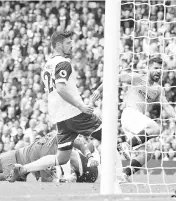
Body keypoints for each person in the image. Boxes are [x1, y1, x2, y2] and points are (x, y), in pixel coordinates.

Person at [8, 31, 104, 182]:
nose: (71, 45)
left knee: (61, 158)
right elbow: (60, 88)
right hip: (74, 113)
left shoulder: (48, 65)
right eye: (68, 43)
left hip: (59, 117)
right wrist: (81, 106)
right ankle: (119, 175)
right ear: (58, 45)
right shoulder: (63, 63)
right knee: (109, 135)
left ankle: (24, 169)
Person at [91, 56, 176, 180]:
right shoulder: (137, 78)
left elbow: (167, 106)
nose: (158, 71)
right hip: (129, 114)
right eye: (156, 68)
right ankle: (126, 145)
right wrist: (99, 90)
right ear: (148, 68)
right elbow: (116, 77)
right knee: (155, 128)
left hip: (136, 123)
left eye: (160, 69)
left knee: (148, 153)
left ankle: (124, 175)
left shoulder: (158, 90)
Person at [0, 132, 99, 183]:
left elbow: (81, 145)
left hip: (15, 158)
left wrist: (90, 157)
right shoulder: (47, 153)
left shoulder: (56, 136)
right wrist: (61, 180)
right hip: (13, 161)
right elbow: (45, 180)